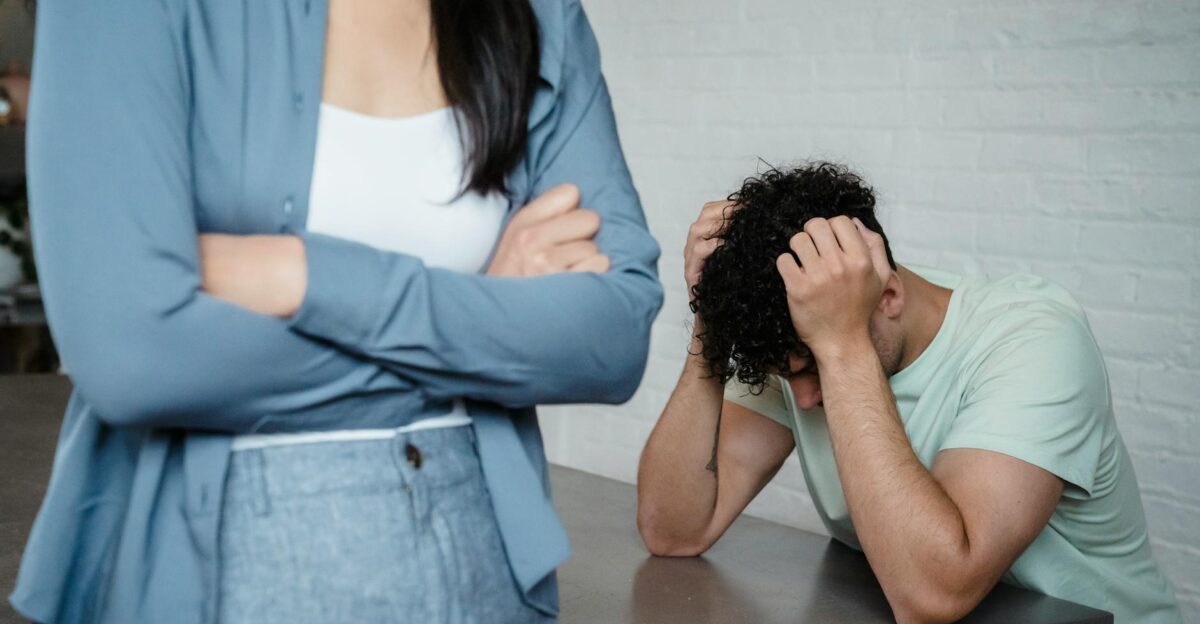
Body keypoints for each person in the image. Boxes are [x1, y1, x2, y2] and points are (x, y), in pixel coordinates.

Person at [10, 0, 662, 622]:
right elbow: (132, 358)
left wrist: (304, 275)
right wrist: (482, 317)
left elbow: (614, 336)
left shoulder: (540, 14)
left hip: (484, 571)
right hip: (217, 576)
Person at [636, 162, 1181, 623]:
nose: (803, 400)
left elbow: (933, 596)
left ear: (889, 295)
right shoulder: (799, 337)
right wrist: (711, 327)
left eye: (812, 369)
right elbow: (675, 532)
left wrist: (841, 347)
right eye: (788, 374)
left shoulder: (1033, 340)